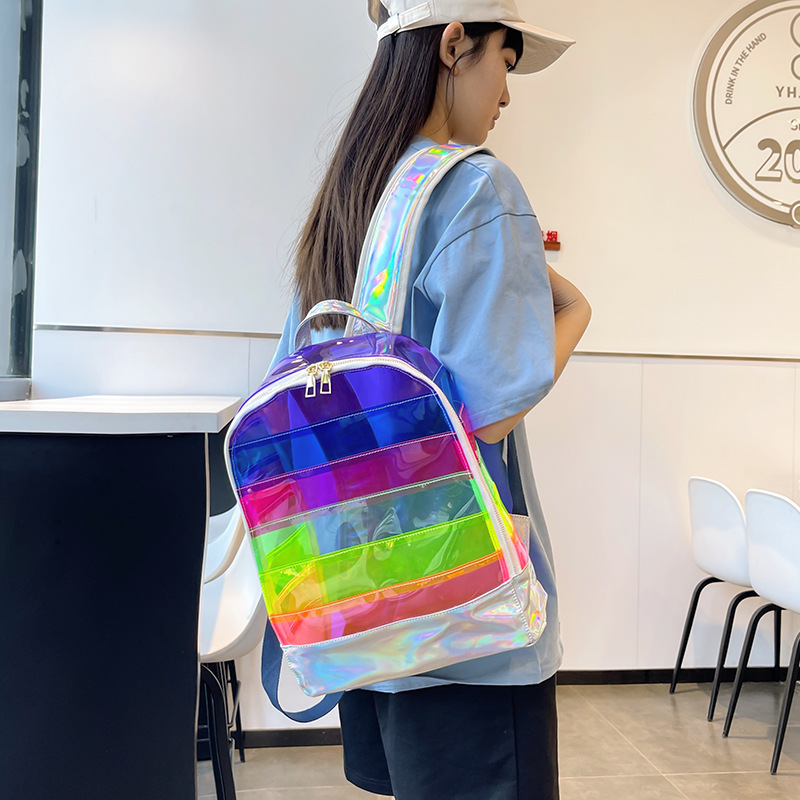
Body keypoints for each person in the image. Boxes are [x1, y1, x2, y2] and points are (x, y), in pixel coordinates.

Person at [268, 2, 591, 797]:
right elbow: (489, 413)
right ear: (454, 45)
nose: (506, 93)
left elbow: (295, 390)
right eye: (505, 61)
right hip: (466, 623)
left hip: (363, 608)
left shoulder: (351, 197)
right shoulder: (478, 185)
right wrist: (579, 312)